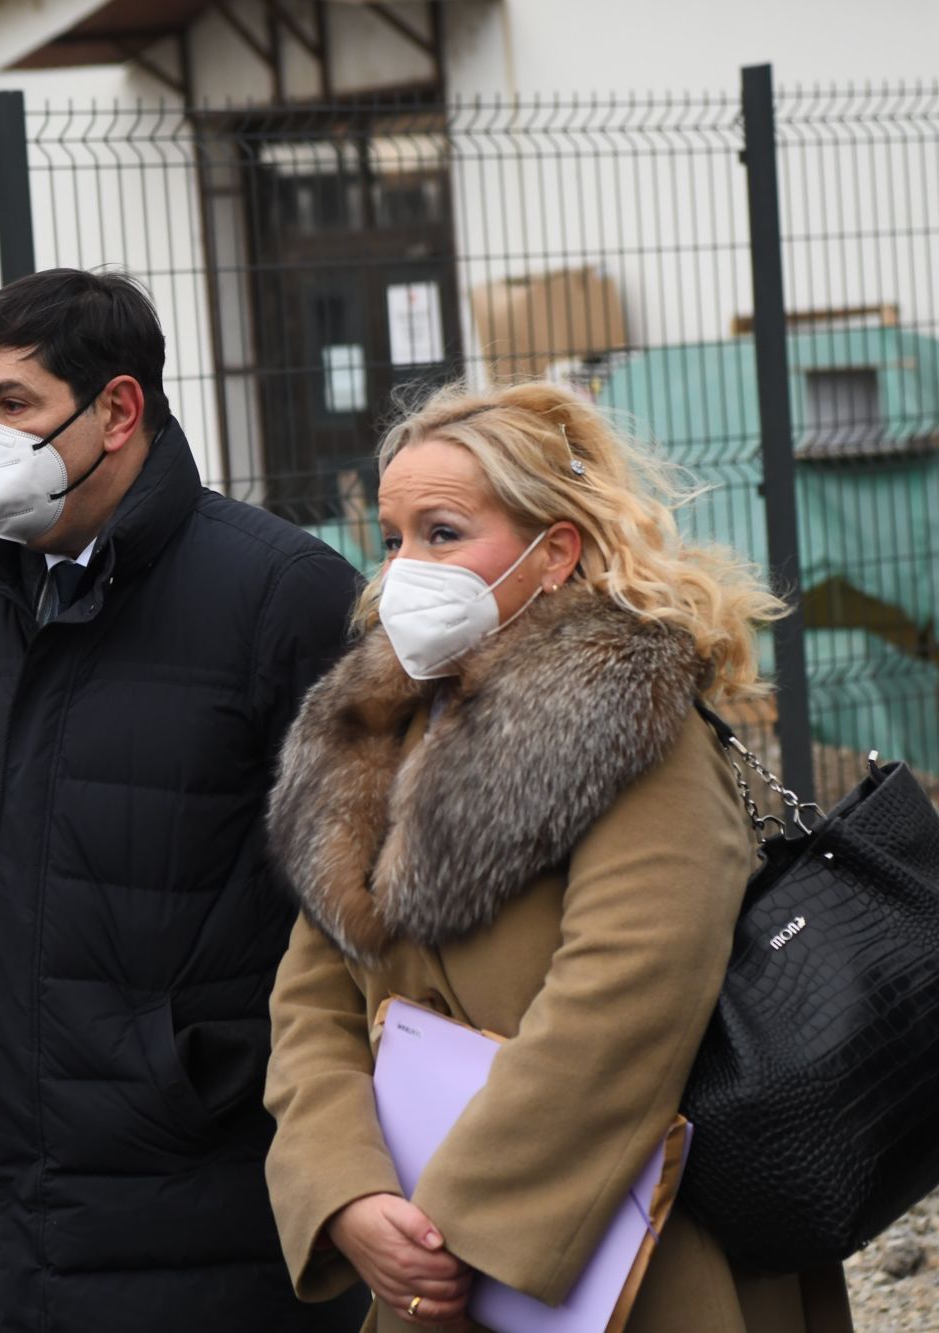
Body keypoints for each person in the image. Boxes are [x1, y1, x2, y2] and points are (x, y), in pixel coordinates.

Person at [261, 383, 855, 1332]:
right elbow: (313, 994)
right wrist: (345, 1192)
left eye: (444, 532)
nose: (406, 566)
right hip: (424, 1259)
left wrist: (455, 1224)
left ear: (555, 553)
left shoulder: (635, 727)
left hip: (634, 1260)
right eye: (394, 536)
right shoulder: (371, 730)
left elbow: (623, 1003)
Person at [0, 267, 369, 1333]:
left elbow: (358, 904)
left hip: (198, 1194)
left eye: (11, 404)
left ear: (117, 410)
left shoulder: (279, 593)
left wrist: (203, 1078)